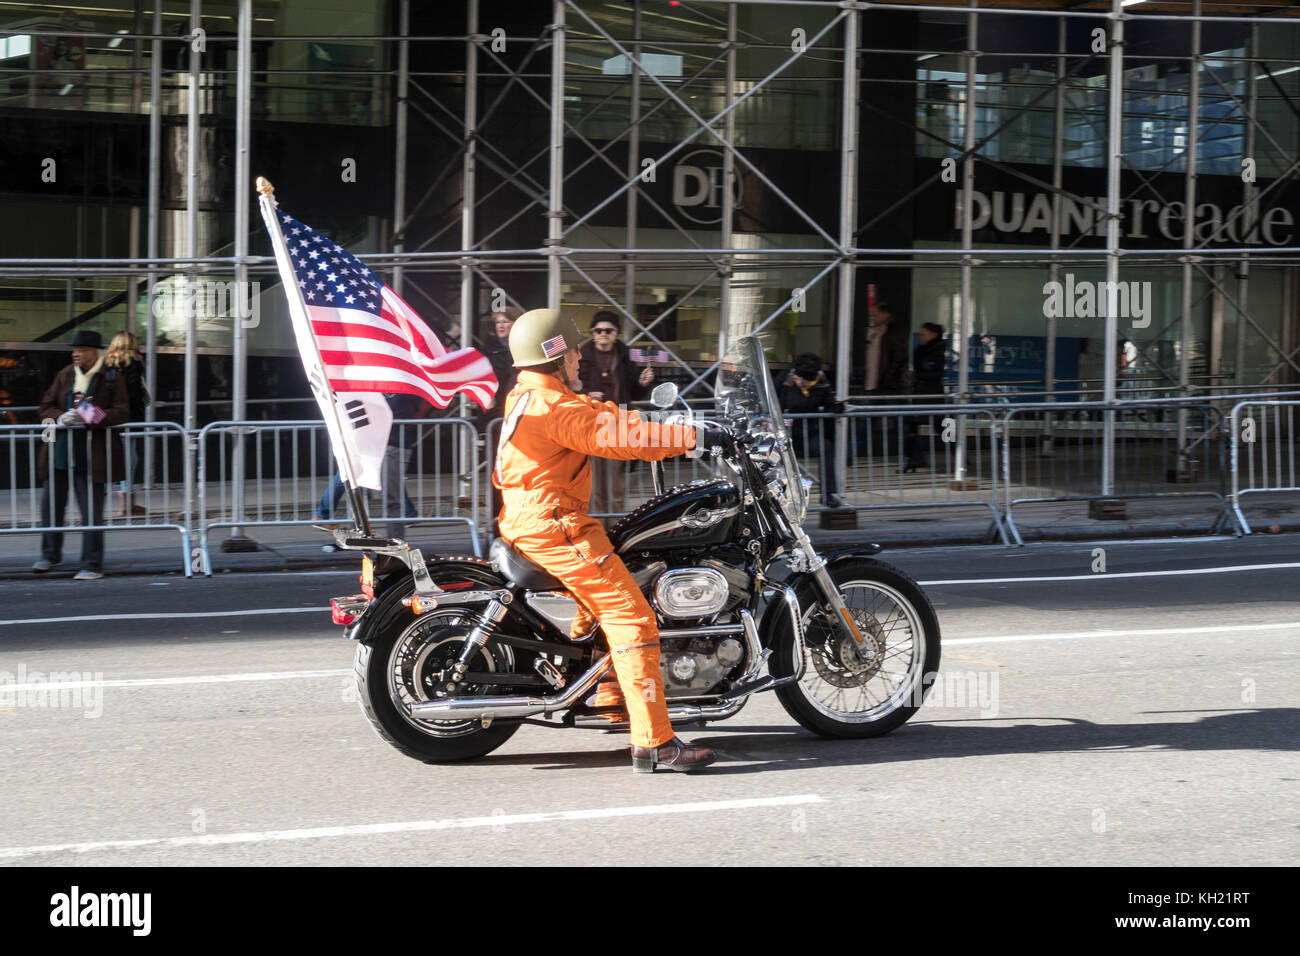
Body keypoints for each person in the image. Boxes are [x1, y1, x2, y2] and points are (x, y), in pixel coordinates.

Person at [494, 308, 719, 773]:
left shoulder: (532, 395)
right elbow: (615, 435)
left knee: (605, 591)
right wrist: (692, 438)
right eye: (573, 349)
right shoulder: (554, 407)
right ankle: (656, 743)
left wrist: (681, 422)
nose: (580, 356)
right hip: (555, 524)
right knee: (632, 617)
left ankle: (612, 695)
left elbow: (604, 414)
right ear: (556, 354)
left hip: (534, 518)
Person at [33, 330, 129, 580]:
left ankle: (92, 564)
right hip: (58, 451)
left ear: (96, 351)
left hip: (91, 455)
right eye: (74, 349)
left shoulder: (111, 376)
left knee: (91, 512)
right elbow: (44, 408)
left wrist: (90, 415)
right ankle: (50, 555)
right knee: (50, 507)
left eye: (82, 349)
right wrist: (59, 417)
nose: (76, 353)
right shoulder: (64, 374)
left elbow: (122, 412)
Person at [574, 311, 654, 516]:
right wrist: (587, 395)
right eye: (598, 330)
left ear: (616, 333)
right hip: (592, 423)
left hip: (618, 423)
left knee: (615, 481)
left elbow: (634, 392)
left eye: (608, 331)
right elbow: (573, 388)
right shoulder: (582, 357)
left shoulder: (626, 356)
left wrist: (643, 383)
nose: (603, 334)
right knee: (594, 482)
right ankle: (598, 527)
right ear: (592, 332)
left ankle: (616, 526)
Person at [778, 353, 846, 509]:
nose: (799, 382)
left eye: (805, 381)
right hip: (785, 433)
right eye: (797, 378)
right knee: (776, 458)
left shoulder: (821, 383)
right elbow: (774, 403)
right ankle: (778, 495)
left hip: (809, 432)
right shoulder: (786, 380)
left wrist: (837, 407)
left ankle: (828, 494)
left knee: (825, 447)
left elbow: (829, 403)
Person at [103, 331, 150, 516]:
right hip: (128, 417)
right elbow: (132, 392)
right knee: (130, 459)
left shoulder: (107, 363)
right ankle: (126, 504)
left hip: (111, 416)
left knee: (124, 459)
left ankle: (127, 502)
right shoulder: (133, 362)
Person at [904, 322, 946, 473]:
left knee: (942, 426)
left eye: (924, 334)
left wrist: (917, 375)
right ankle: (915, 458)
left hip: (931, 394)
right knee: (913, 425)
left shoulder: (937, 351)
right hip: (920, 393)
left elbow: (936, 373)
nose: (921, 337)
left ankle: (959, 451)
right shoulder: (921, 350)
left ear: (933, 335)